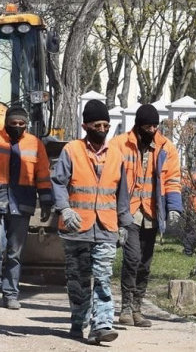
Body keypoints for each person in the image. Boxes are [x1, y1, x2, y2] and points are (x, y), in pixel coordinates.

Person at [51, 99, 133, 345]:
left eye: (106, 125)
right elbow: (58, 182)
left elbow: (122, 193)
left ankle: (102, 325)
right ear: (86, 126)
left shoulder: (117, 155)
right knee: (77, 278)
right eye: (97, 124)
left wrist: (124, 224)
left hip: (106, 228)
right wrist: (64, 209)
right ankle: (78, 319)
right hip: (76, 228)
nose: (102, 129)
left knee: (103, 277)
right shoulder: (72, 151)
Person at [0, 106, 53, 310]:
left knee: (15, 252)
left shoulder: (36, 145)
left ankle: (11, 293)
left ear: (27, 124)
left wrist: (47, 201)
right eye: (13, 124)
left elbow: (42, 175)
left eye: (22, 124)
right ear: (6, 123)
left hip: (22, 203)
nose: (17, 127)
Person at [109, 104, 183, 327]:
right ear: (138, 126)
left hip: (151, 211)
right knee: (131, 258)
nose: (152, 129)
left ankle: (138, 309)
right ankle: (126, 308)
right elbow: (110, 178)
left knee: (145, 263)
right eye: (147, 126)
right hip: (128, 211)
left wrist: (173, 207)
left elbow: (172, 179)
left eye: (155, 125)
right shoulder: (119, 144)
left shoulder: (166, 148)